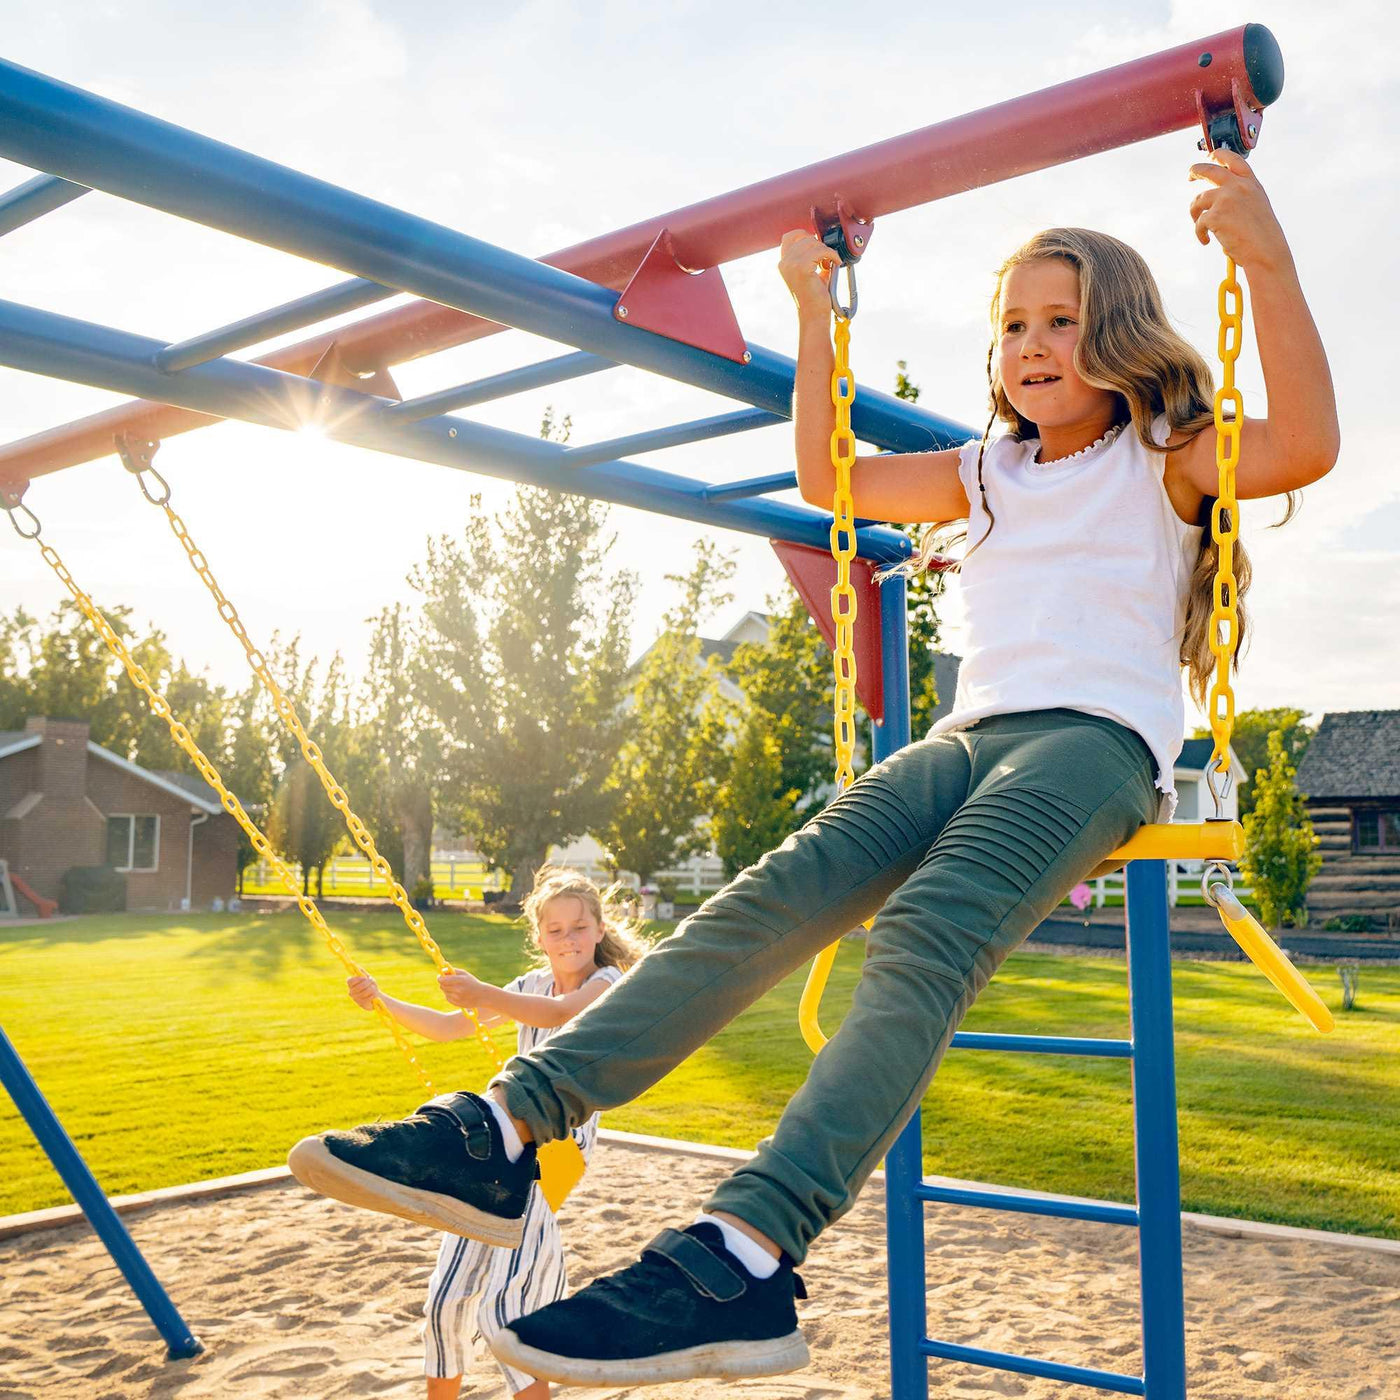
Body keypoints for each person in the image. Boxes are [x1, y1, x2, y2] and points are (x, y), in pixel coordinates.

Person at [288, 150, 1339, 1387]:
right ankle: (505, 1122)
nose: (1030, 343)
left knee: (924, 935)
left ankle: (741, 1249)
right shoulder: (980, 472)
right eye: (1010, 325)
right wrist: (809, 308)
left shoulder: (1165, 454)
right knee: (766, 897)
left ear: (1114, 328)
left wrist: (1260, 255)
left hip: (1093, 740)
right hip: (970, 736)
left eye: (1059, 318)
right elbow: (827, 478)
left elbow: (1307, 442)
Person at [297, 868, 647, 1400]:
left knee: (506, 1313)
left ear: (599, 930)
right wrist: (382, 1000)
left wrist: (483, 991)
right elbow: (446, 1026)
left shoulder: (606, 984)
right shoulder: (528, 985)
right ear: (539, 938)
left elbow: (556, 1014)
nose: (569, 939)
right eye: (555, 930)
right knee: (445, 1303)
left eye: (579, 927)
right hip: (499, 1151)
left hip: (551, 1154)